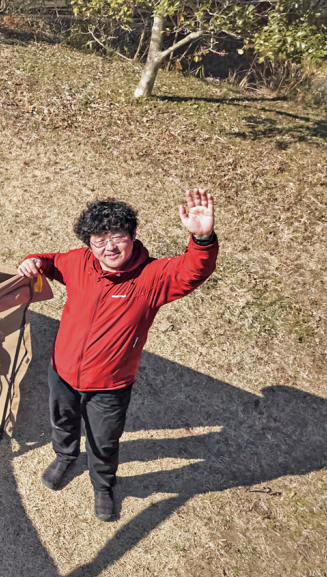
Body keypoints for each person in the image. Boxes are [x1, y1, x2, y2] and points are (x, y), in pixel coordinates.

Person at [17, 190, 218, 521]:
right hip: (62, 372)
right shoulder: (79, 262)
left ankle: (103, 485)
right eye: (99, 241)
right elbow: (50, 262)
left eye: (118, 238)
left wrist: (203, 238)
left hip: (110, 386)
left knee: (105, 441)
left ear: (133, 236)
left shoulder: (152, 277)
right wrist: (33, 260)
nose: (109, 247)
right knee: (63, 422)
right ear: (89, 244)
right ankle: (65, 456)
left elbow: (192, 271)